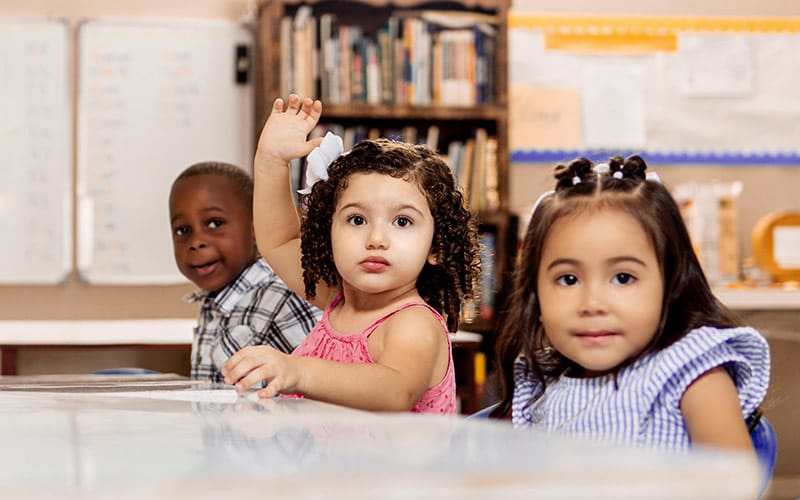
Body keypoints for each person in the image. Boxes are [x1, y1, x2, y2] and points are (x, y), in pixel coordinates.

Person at [491, 155, 770, 452]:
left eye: (623, 278)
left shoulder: (691, 372)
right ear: (535, 294)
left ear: (671, 285)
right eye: (568, 280)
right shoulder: (543, 383)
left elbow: (733, 482)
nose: (592, 304)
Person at [220, 95, 480, 414]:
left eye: (402, 221)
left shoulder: (413, 323)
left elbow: (395, 390)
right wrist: (271, 162)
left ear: (436, 247)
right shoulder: (336, 298)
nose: (376, 239)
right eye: (357, 220)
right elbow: (280, 239)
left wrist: (297, 370)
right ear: (329, 231)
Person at [169, 161, 321, 383]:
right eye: (182, 230)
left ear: (255, 228)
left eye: (214, 223)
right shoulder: (214, 304)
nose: (196, 242)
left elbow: (327, 382)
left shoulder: (285, 296)